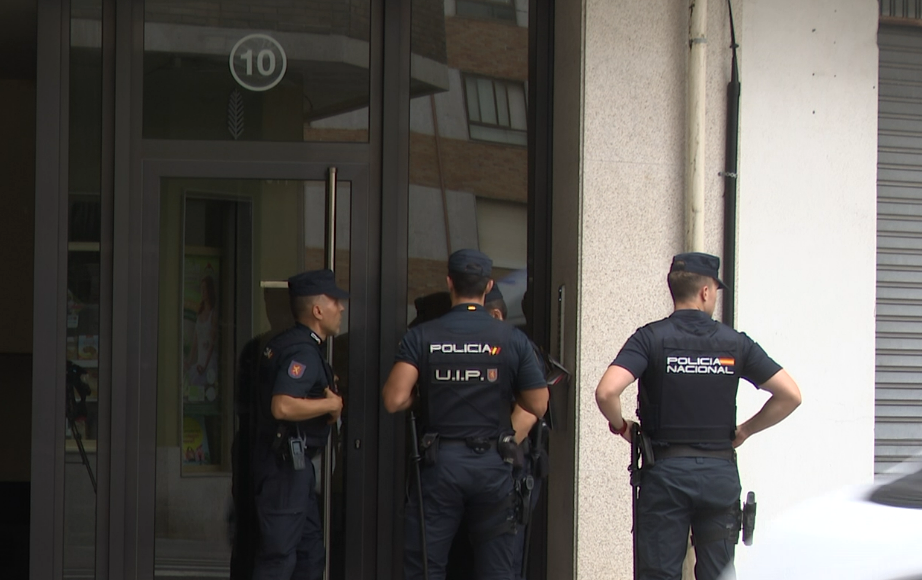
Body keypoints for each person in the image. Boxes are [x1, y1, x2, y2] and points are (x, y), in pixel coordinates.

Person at [594, 252, 802, 580]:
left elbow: (607, 391)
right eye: (716, 291)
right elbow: (791, 395)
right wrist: (745, 430)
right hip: (719, 477)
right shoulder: (735, 343)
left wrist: (621, 426)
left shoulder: (650, 338)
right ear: (706, 292)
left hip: (665, 477)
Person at [383, 249, 549, 580]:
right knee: (497, 568)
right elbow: (538, 404)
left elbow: (394, 399)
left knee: (426, 566)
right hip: (494, 464)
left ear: (449, 283)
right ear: (488, 286)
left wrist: (425, 395)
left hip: (440, 462)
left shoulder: (422, 336)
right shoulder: (512, 339)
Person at [251, 269, 347, 580]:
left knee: (308, 557)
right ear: (318, 310)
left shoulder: (289, 343)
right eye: (336, 302)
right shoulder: (302, 350)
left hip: (293, 469)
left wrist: (325, 410)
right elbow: (282, 405)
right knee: (278, 560)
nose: (342, 308)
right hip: (284, 469)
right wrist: (331, 405)